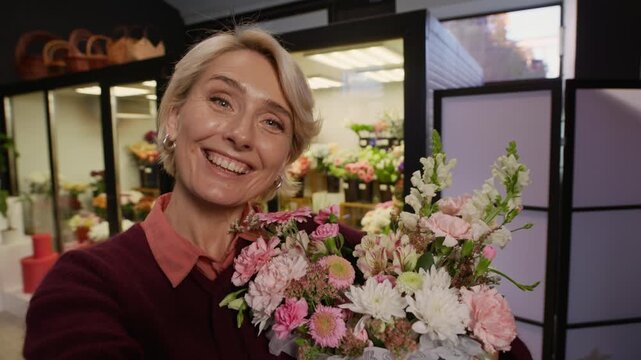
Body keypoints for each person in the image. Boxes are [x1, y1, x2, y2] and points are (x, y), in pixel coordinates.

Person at [23, 27, 331, 359]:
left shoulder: (315, 246)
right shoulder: (85, 286)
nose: (241, 135)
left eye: (272, 122)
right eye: (221, 101)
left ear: (286, 158)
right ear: (173, 117)